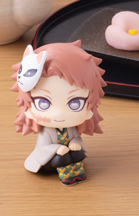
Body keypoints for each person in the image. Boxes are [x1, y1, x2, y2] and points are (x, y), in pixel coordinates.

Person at [12, 41, 106, 186]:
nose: (59, 114)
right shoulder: (46, 132)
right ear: (28, 107)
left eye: (75, 103)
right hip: (49, 161)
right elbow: (43, 147)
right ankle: (67, 175)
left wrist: (75, 143)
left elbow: (76, 138)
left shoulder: (71, 129)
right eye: (43, 103)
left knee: (77, 154)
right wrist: (57, 149)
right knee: (61, 158)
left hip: (69, 158)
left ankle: (76, 176)